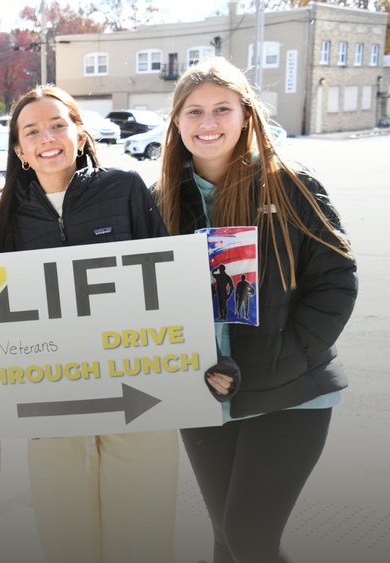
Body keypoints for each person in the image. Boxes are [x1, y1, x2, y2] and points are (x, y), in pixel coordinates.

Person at [0, 85, 217, 563]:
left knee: (143, 535)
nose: (47, 137)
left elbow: (171, 283)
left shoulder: (125, 187)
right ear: (20, 151)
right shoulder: (6, 217)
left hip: (139, 392)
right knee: (67, 537)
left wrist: (206, 356)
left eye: (57, 125)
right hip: (51, 400)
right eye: (32, 131)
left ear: (80, 134)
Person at [154, 57, 357, 563]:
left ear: (245, 114)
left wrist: (286, 356)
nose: (208, 123)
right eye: (194, 111)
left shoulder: (290, 185)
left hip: (288, 392)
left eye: (222, 109)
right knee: (227, 539)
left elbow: (335, 281)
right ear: (177, 122)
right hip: (204, 394)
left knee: (250, 538)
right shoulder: (162, 200)